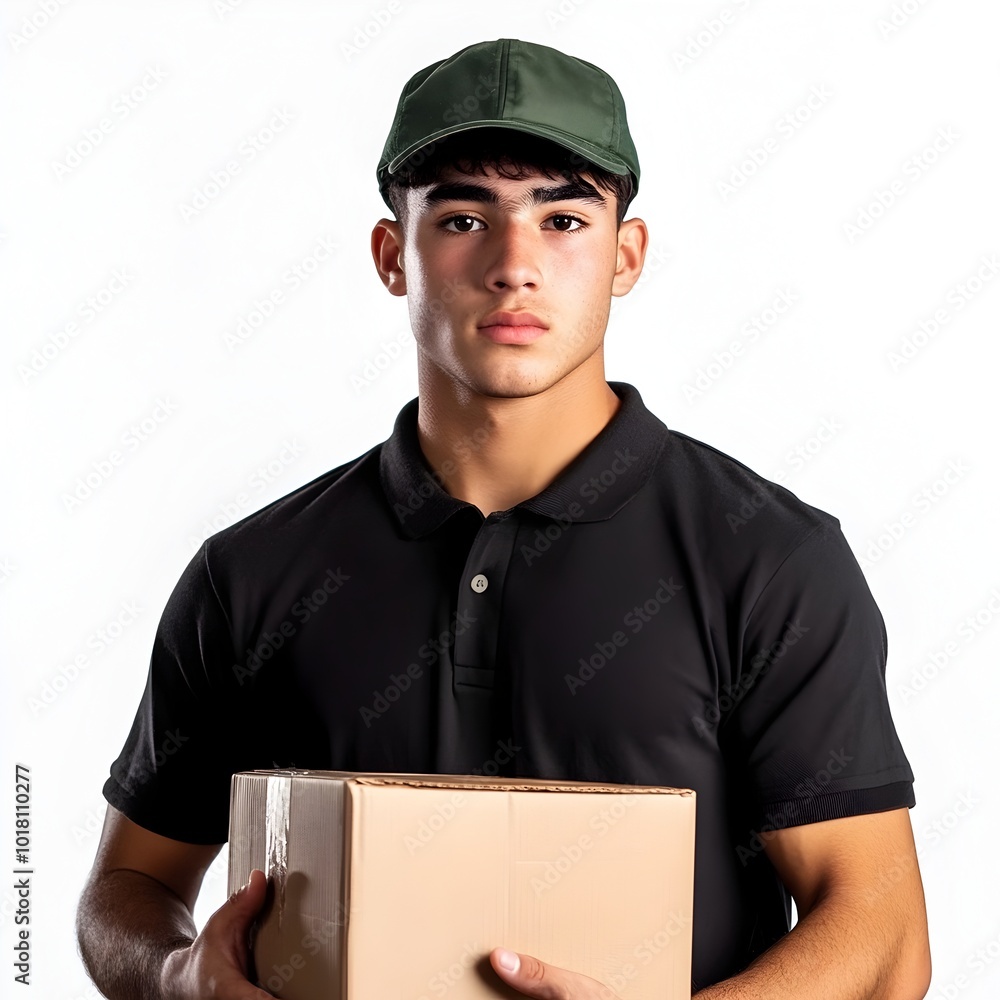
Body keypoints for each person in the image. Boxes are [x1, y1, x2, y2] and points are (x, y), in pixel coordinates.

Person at [76, 37, 932, 999]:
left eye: (563, 217)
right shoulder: (254, 573)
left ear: (626, 255)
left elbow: (882, 935)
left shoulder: (768, 559)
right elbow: (128, 886)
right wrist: (178, 976)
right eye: (463, 217)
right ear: (392, 255)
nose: (514, 264)